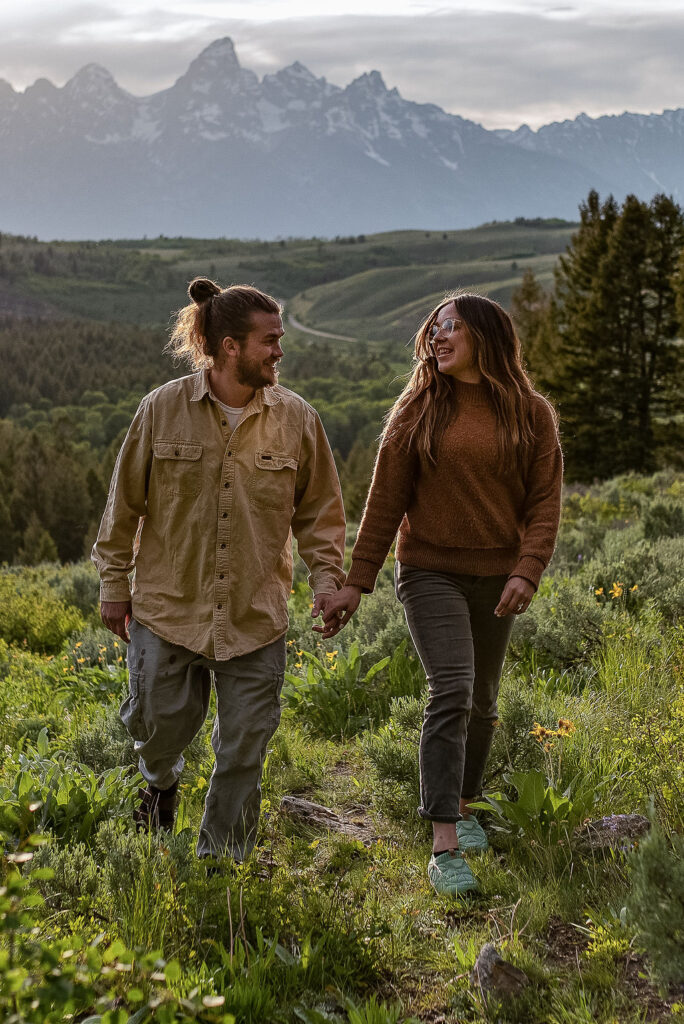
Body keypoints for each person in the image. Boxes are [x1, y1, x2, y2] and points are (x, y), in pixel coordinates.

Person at [316, 292, 563, 896]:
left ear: (486, 335)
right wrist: (357, 581)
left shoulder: (530, 413)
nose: (437, 336)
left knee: (482, 698)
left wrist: (526, 570)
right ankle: (444, 840)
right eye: (433, 328)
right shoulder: (418, 408)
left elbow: (544, 503)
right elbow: (384, 504)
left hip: (498, 574)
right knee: (451, 687)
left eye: (450, 327)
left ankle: (467, 800)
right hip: (429, 571)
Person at [92, 278, 346, 861]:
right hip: (168, 608)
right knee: (155, 726)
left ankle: (220, 864)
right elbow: (123, 503)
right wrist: (114, 584)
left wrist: (328, 582)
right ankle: (160, 783)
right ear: (230, 346)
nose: (280, 350)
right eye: (270, 341)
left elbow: (321, 514)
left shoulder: (297, 420)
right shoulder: (162, 408)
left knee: (244, 750)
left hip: (256, 615)